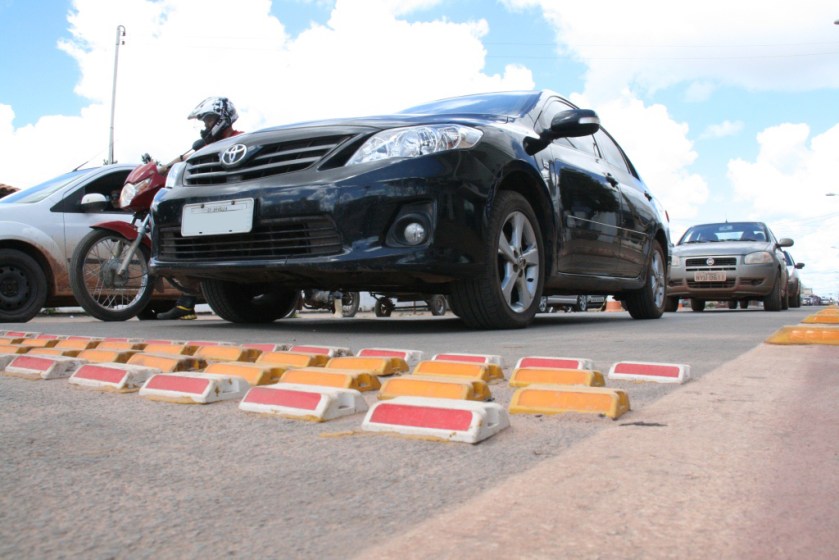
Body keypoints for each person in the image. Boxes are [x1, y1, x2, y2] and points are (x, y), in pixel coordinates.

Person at [157, 96, 243, 320]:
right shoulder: (204, 147)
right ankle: (186, 303)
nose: (206, 126)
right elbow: (186, 159)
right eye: (204, 121)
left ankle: (187, 303)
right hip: (207, 204)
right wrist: (164, 168)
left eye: (209, 120)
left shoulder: (241, 140)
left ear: (223, 118)